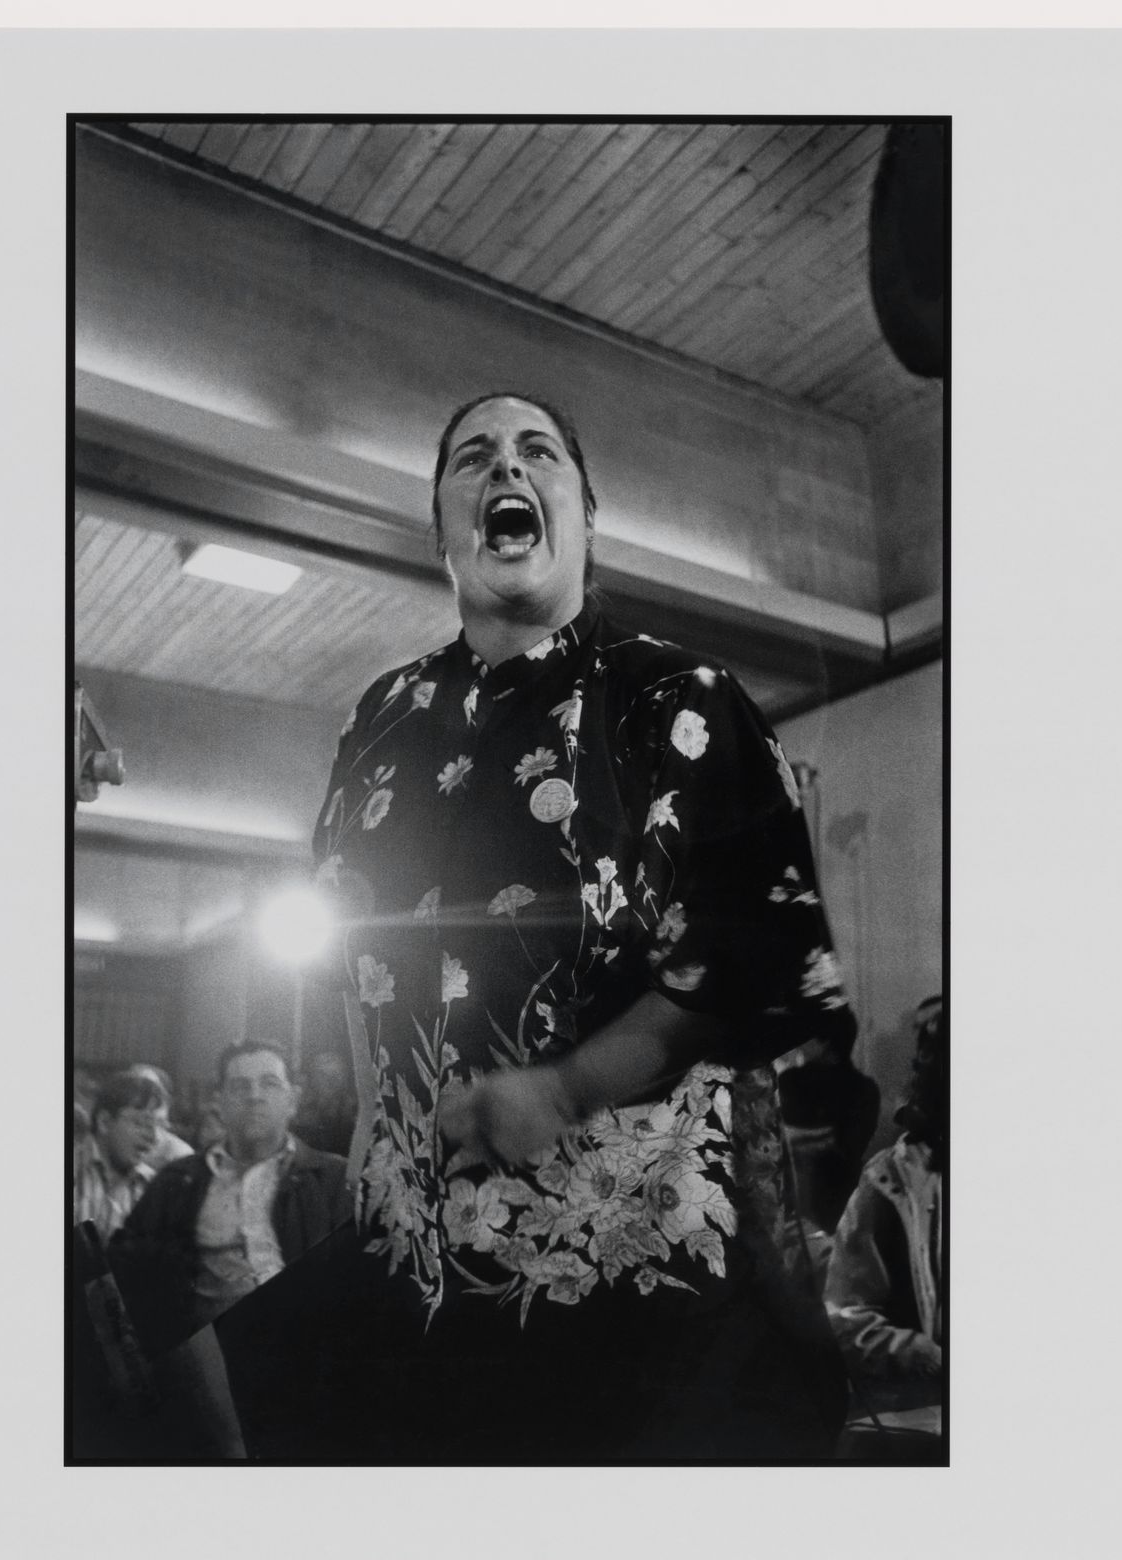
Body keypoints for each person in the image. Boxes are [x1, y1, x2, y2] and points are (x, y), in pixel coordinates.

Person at [287, 391, 858, 1464]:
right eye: (473, 458)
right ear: (442, 530)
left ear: (584, 516)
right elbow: (344, 935)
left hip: (650, 1328)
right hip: (427, 1314)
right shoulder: (380, 718)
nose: (506, 466)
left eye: (536, 451)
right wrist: (372, 1116)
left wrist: (567, 1086)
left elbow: (755, 963)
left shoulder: (678, 698)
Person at [110, 1040, 354, 1356]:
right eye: (240, 1087)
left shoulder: (333, 1181)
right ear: (220, 1102)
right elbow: (127, 1274)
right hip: (208, 1367)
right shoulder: (178, 1183)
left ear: (292, 1100)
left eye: (269, 1083)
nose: (254, 1096)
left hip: (309, 1358)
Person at [824, 995, 945, 1406]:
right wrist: (926, 1358)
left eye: (933, 1050)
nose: (918, 1063)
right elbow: (846, 1314)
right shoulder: (892, 1176)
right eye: (922, 1049)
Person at [775, 1022, 881, 1291]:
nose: (800, 1045)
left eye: (807, 1038)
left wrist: (793, 1139)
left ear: (825, 1042)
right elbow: (847, 1146)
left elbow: (782, 1140)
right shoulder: (865, 1089)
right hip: (840, 1197)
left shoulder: (791, 1082)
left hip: (810, 1197)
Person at [72, 1068, 167, 1242]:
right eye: (140, 1123)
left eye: (157, 1126)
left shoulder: (151, 1188)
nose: (152, 1137)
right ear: (104, 1122)